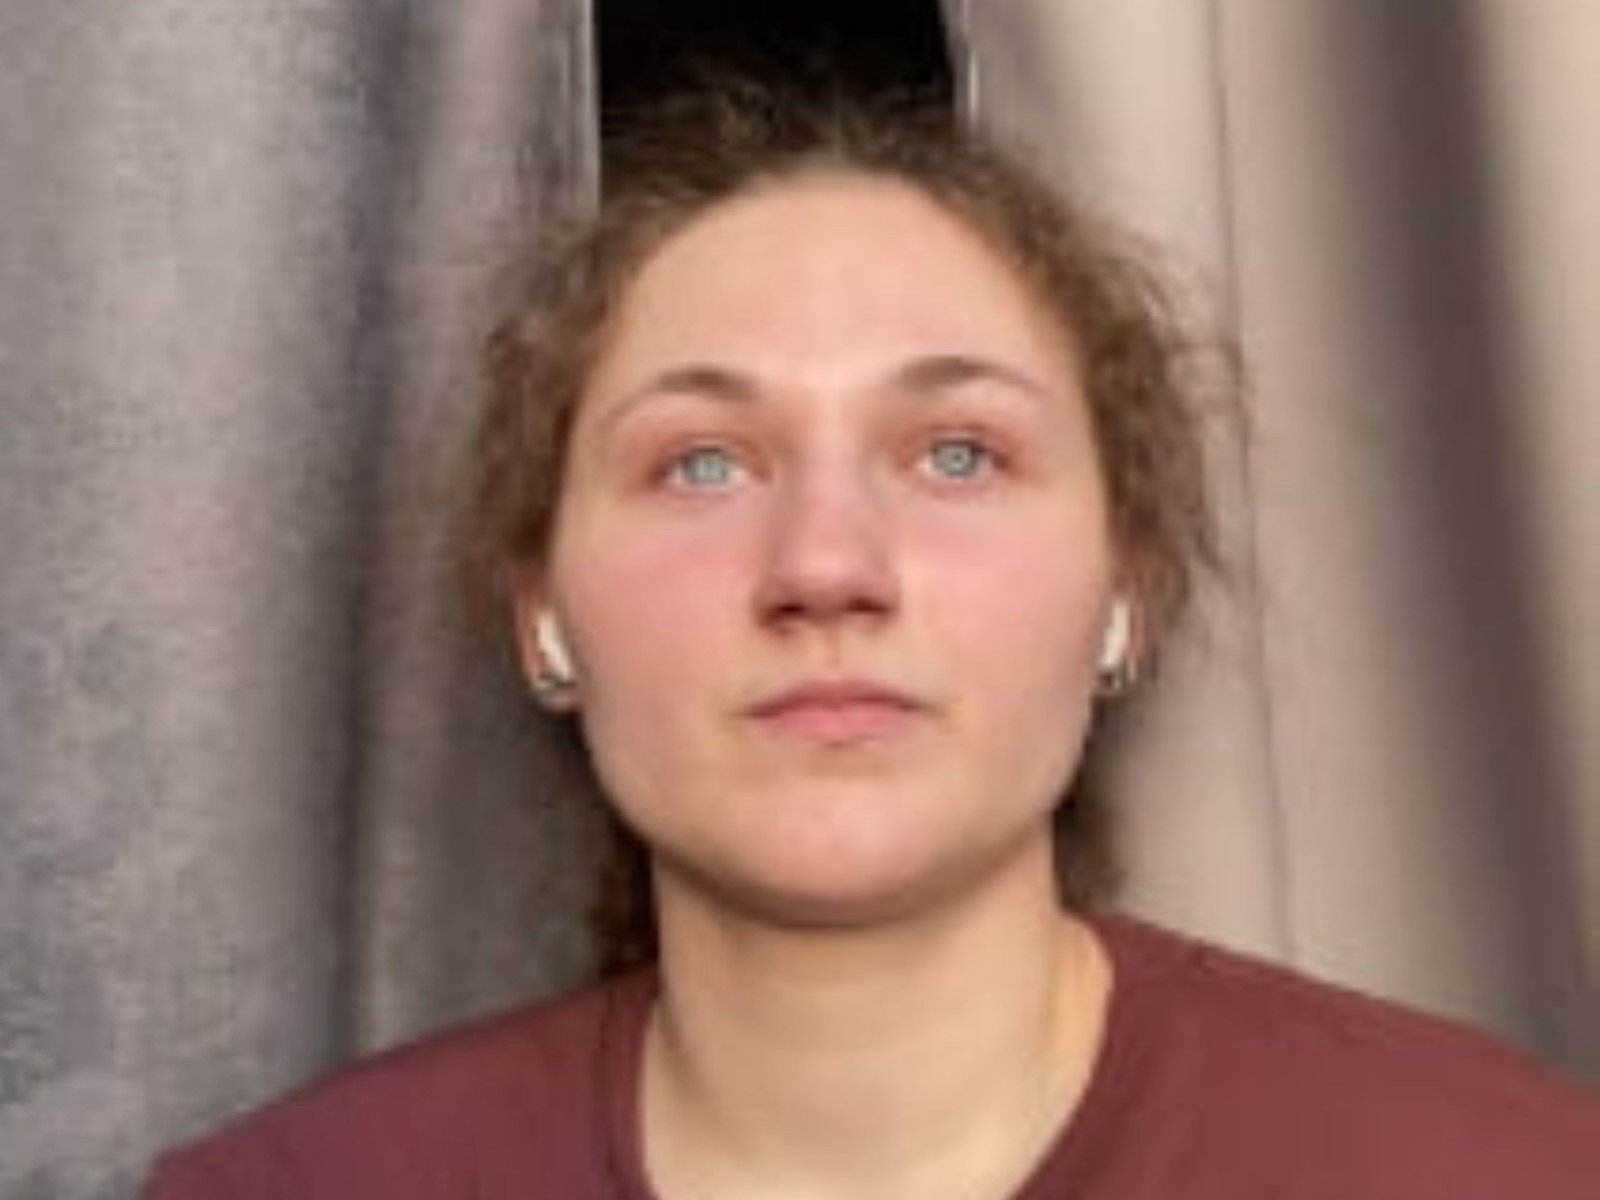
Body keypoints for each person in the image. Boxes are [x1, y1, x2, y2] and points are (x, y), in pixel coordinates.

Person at [144, 78, 1600, 1199]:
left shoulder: (1495, 1172)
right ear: (544, 612)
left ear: (1122, 593)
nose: (826, 567)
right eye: (703, 463)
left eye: (957, 454)